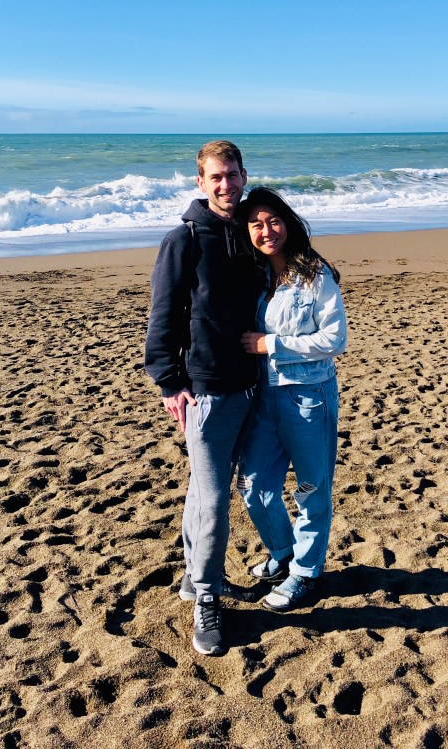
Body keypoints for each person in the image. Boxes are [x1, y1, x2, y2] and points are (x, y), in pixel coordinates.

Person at [144, 140, 259, 655]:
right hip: (207, 389)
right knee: (213, 499)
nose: (226, 184)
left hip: (254, 383)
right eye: (216, 177)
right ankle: (207, 599)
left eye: (233, 174)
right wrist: (169, 381)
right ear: (200, 182)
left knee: (203, 489)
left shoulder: (253, 230)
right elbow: (163, 314)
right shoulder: (184, 239)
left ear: (243, 174)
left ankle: (195, 577)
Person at [237, 187, 347, 612]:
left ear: (288, 221)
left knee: (310, 489)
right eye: (256, 224)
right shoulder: (254, 275)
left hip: (308, 398)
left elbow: (335, 339)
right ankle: (283, 554)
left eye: (273, 220)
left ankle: (305, 572)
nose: (267, 231)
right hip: (263, 396)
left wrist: (272, 344)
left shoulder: (315, 274)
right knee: (254, 485)